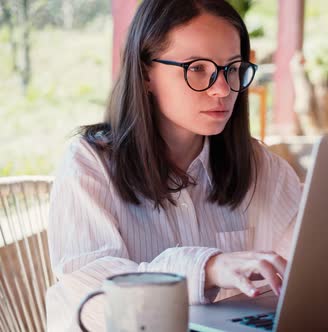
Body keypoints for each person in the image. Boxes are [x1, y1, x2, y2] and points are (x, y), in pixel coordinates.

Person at [46, 0, 302, 330]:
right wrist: (207, 269)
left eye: (233, 68)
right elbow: (96, 300)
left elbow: (305, 273)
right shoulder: (89, 164)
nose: (222, 89)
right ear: (145, 72)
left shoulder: (263, 168)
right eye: (197, 68)